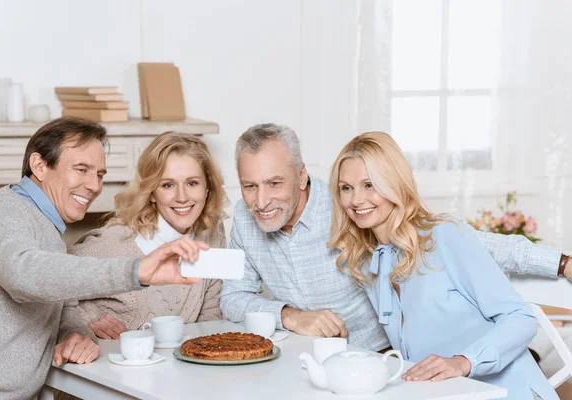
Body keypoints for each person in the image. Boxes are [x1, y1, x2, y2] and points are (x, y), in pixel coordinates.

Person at [219, 123, 571, 352]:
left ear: (300, 176)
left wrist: (561, 262)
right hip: (298, 356)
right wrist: (290, 315)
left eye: (274, 183)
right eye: (250, 186)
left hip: (378, 357)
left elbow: (456, 240)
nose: (261, 201)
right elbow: (233, 298)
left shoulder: (350, 207)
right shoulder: (246, 223)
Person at [0, 118, 208, 400]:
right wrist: (136, 271)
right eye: (81, 169)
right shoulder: (3, 210)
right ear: (39, 166)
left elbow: (62, 304)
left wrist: (76, 333)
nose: (94, 185)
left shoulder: (47, 226)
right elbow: (24, 275)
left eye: (99, 174)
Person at [327, 131, 556, 399]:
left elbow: (520, 318)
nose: (356, 200)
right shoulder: (369, 261)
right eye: (346, 188)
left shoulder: (444, 236)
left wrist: (463, 361)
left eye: (370, 184)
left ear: (394, 184)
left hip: (507, 392)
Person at [64, 132, 228, 339]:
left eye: (192, 183)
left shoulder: (211, 233)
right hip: (108, 363)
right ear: (152, 192)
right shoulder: (112, 244)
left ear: (207, 188)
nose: (182, 197)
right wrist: (83, 322)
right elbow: (47, 286)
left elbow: (210, 317)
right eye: (168, 185)